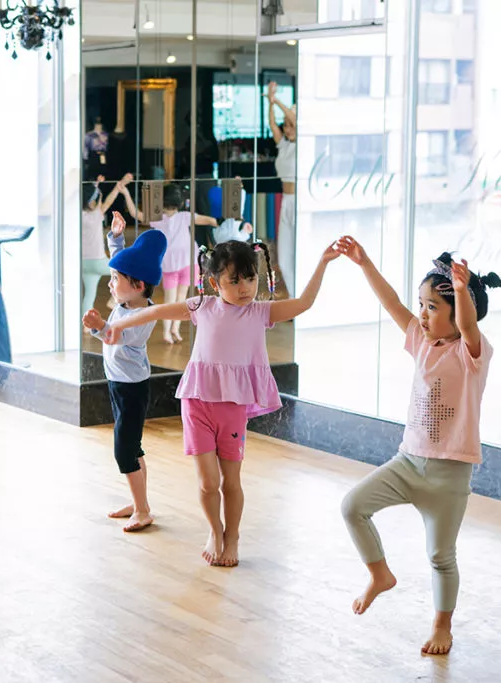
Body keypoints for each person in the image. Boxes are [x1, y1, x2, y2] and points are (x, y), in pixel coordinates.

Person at [104, 239, 340, 566]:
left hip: (232, 408)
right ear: (215, 284)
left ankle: (233, 536)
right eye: (235, 280)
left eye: (250, 279)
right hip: (196, 403)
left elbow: (304, 303)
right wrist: (115, 326)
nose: (245, 288)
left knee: (231, 483)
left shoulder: (260, 312)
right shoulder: (201, 307)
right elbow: (155, 310)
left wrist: (323, 262)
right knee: (207, 483)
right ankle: (215, 530)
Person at [336, 236, 501, 656]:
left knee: (440, 557)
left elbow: (468, 327)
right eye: (422, 304)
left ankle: (442, 625)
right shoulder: (422, 342)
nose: (422, 314)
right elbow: (392, 303)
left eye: (433, 307)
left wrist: (461, 291)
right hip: (407, 463)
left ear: (459, 312)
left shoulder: (473, 354)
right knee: (352, 506)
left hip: (449, 476)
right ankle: (380, 575)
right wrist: (365, 263)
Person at [83, 211, 167, 533]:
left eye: (116, 280)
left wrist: (98, 325)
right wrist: (115, 238)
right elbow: (120, 265)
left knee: (124, 450)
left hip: (132, 389)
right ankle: (138, 501)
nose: (111, 283)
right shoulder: (129, 298)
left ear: (138, 285)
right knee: (133, 446)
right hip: (119, 384)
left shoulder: (143, 315)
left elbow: (115, 335)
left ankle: (143, 511)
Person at [119, 183, 222, 344]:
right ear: (179, 202)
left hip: (177, 265)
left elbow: (135, 214)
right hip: (186, 263)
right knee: (181, 299)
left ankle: (171, 331)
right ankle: (172, 330)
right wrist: (224, 223)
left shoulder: (159, 218)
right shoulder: (184, 216)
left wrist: (126, 193)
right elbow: (209, 220)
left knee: (171, 300)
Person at [266, 81, 297, 296]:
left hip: (300, 202)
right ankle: (294, 297)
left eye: (291, 125)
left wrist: (276, 100)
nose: (287, 128)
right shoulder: (284, 145)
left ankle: (302, 297)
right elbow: (271, 124)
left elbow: (295, 120)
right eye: (285, 125)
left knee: (299, 251)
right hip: (286, 201)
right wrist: (270, 103)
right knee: (284, 257)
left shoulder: (303, 145)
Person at [81, 174, 126, 311]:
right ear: (92, 202)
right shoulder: (96, 214)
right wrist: (117, 188)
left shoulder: (78, 215)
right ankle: (114, 299)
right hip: (97, 262)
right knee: (126, 270)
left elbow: (90, 196)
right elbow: (108, 201)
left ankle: (85, 322)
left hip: (83, 263)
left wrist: (96, 184)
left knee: (89, 296)